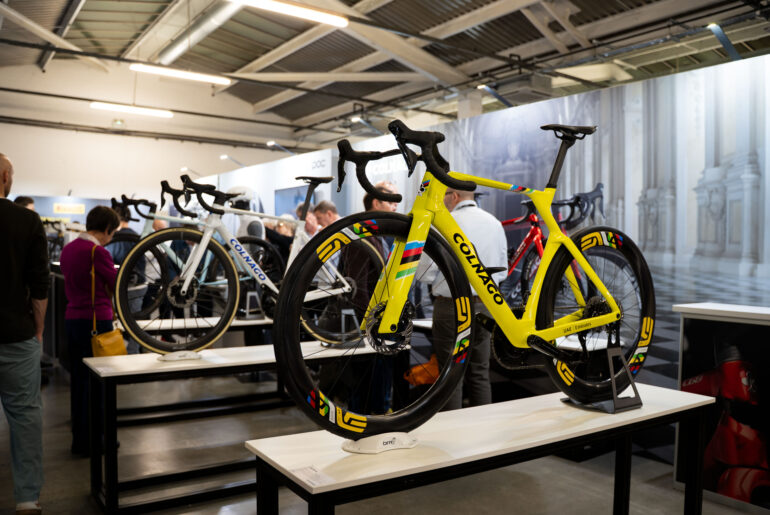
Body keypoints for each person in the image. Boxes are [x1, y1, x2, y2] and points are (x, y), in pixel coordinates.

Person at [417, 187, 507, 410]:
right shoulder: (495, 223)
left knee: (451, 375)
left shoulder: (443, 224)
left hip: (451, 306)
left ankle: (454, 430)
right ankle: (483, 427)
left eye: (445, 196)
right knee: (480, 372)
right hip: (485, 305)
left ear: (454, 196)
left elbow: (424, 274)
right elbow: (502, 272)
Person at [0, 153, 48, 515]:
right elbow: (40, 283)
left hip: (16, 334)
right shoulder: (26, 220)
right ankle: (27, 500)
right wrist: (39, 329)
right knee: (25, 418)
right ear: (5, 177)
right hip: (16, 334)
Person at [59, 206, 120, 457]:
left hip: (73, 319)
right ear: (106, 229)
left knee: (79, 382)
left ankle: (80, 439)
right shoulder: (98, 252)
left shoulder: (68, 249)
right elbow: (115, 284)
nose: (111, 238)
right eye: (112, 233)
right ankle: (97, 440)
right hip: (96, 321)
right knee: (99, 384)